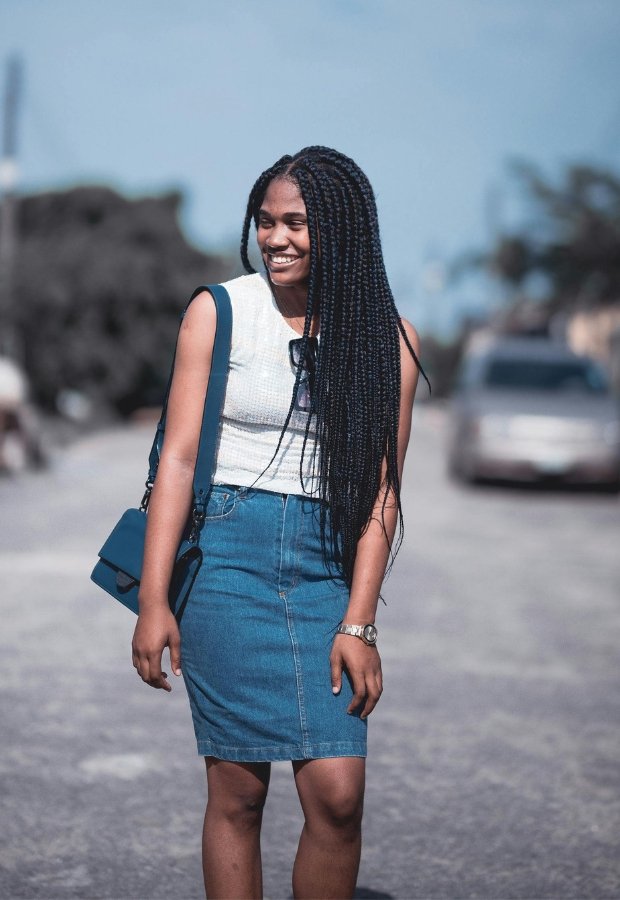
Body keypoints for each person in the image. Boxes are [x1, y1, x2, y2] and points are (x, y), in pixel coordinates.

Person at [131, 146, 429, 899]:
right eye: (265, 222)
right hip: (227, 560)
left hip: (328, 565)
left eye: (296, 222)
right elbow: (177, 459)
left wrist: (359, 621)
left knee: (338, 793)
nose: (276, 238)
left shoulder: (387, 340)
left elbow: (381, 495)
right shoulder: (219, 311)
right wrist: (153, 597)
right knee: (239, 790)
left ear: (341, 229)